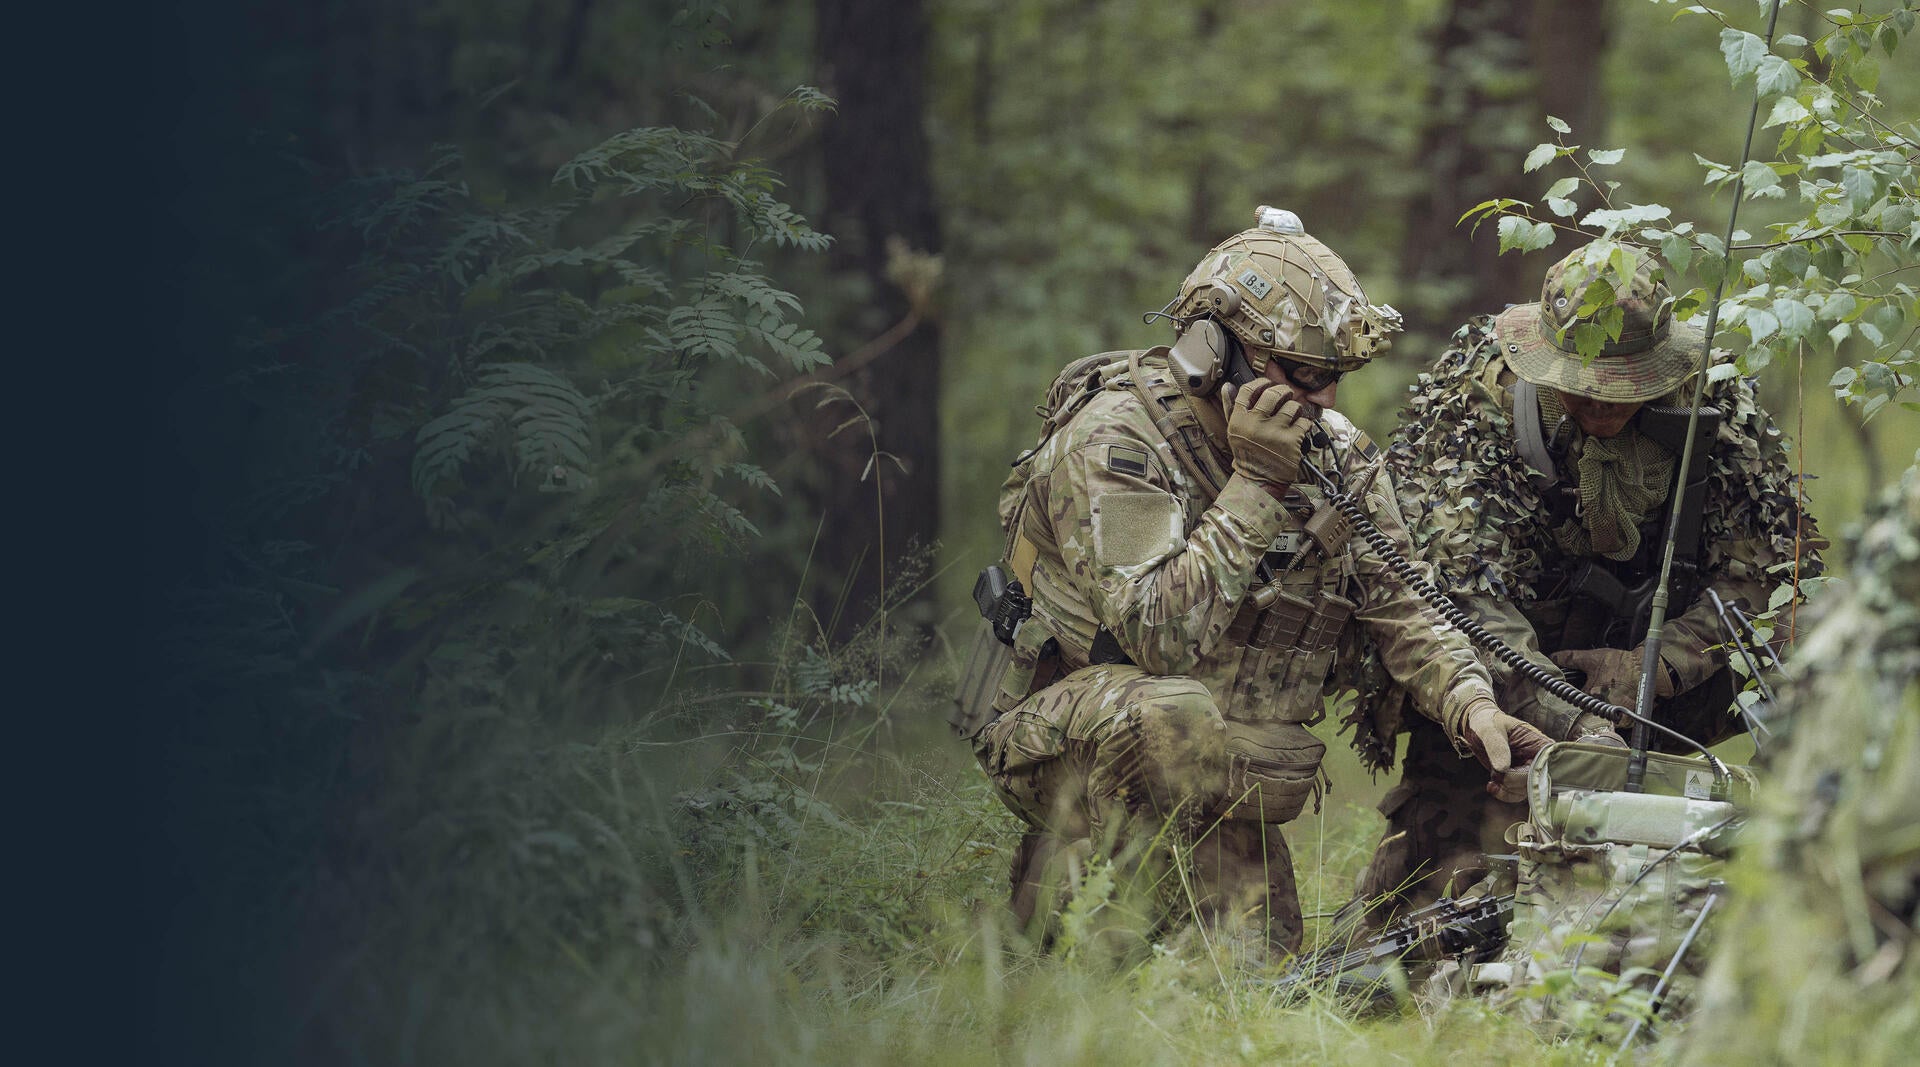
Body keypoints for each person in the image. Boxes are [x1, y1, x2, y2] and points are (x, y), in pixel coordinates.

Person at [960, 207, 1550, 959]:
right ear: (1214, 351)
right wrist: (1255, 484)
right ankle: (1067, 890)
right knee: (1166, 715)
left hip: (1225, 770)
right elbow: (1155, 636)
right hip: (1070, 740)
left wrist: (1473, 706)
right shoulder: (1117, 444)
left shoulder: (1333, 455)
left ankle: (1085, 915)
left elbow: (1407, 604)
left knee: (1251, 977)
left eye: (1334, 378)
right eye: (1302, 375)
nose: (1324, 401)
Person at [1343, 242, 1822, 928]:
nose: (1601, 406)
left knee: (1802, 644)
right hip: (1504, 696)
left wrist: (1654, 667)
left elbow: (1770, 572)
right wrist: (1573, 724)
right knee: (1425, 913)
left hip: (1654, 690)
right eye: (1584, 385)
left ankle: (1797, 866)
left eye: (1623, 386)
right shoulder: (1475, 397)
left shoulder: (1714, 400)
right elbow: (1456, 599)